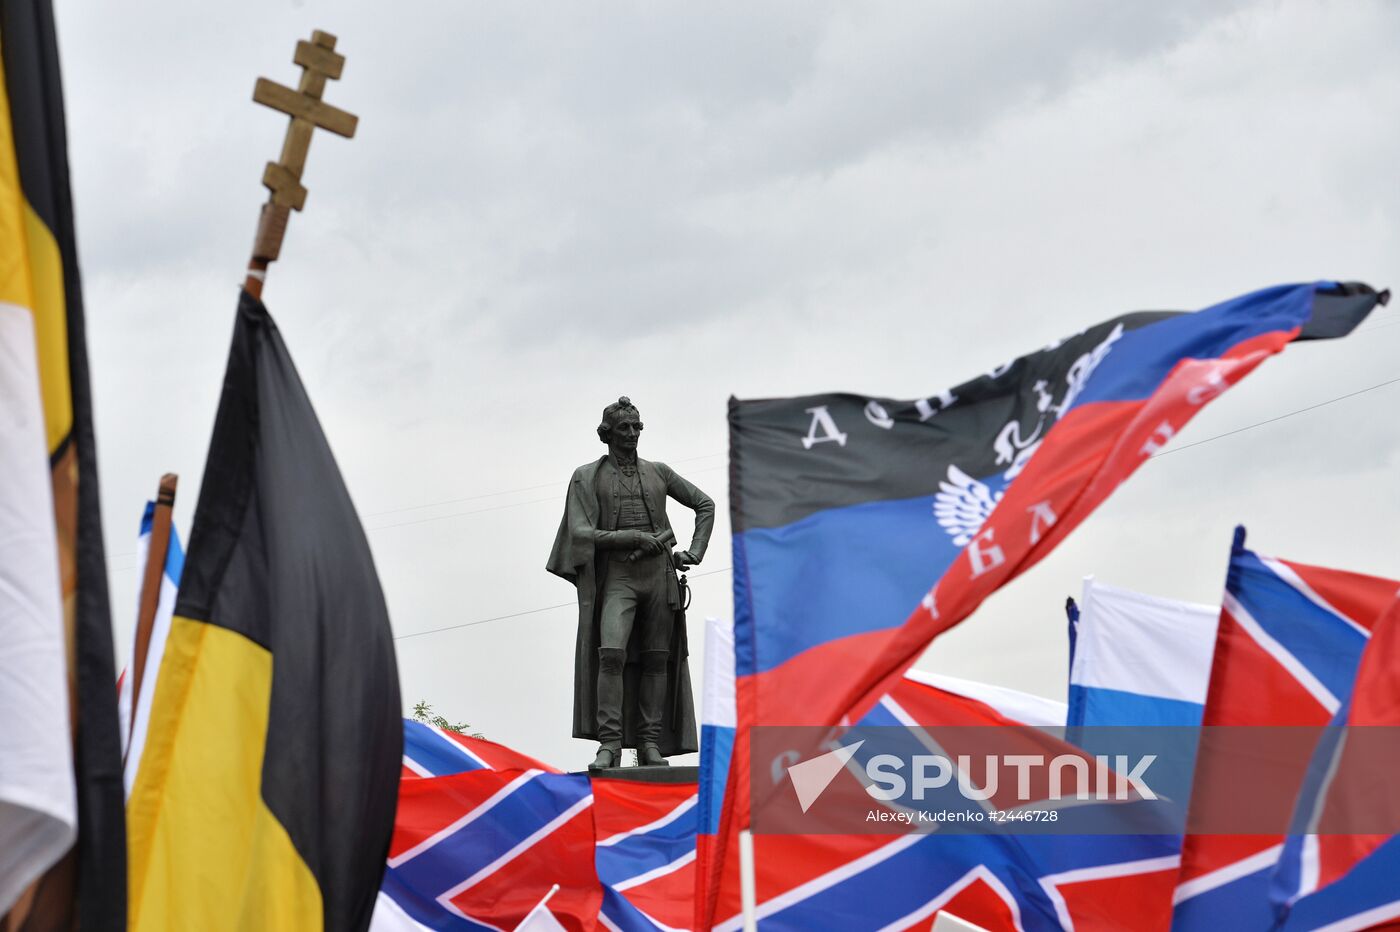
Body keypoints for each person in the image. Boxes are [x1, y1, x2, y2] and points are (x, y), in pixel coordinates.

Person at [546, 397, 714, 770]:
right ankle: (610, 744)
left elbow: (705, 504)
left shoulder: (659, 472)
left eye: (638, 426)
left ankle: (650, 743)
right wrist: (630, 539)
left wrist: (694, 551)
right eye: (624, 427)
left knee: (658, 658)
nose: (633, 433)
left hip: (659, 577)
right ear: (606, 433)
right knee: (611, 653)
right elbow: (579, 531)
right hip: (618, 577)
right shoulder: (587, 475)